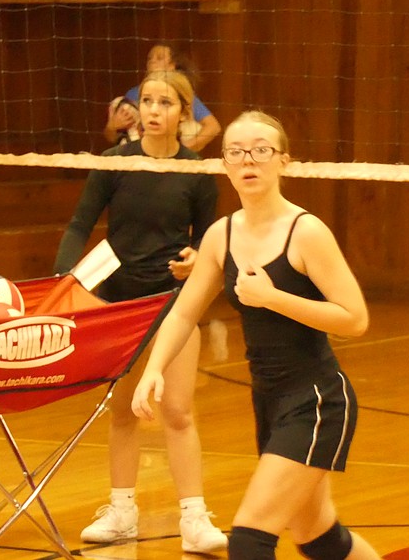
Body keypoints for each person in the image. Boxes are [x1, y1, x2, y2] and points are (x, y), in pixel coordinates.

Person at [132, 111, 382, 560]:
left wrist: (272, 297)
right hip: (269, 401)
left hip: (318, 400)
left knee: (249, 540)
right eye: (236, 151)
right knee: (319, 539)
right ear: (225, 164)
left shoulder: (306, 231)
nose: (249, 160)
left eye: (261, 150)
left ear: (283, 160)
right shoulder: (220, 235)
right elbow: (184, 313)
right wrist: (153, 368)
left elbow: (355, 318)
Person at [56, 69, 227, 554]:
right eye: (147, 101)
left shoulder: (196, 171)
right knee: (124, 411)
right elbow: (78, 225)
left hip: (173, 304)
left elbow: (207, 239)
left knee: (176, 411)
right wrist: (65, 281)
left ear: (184, 113)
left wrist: (196, 257)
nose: (153, 110)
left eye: (165, 103)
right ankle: (121, 511)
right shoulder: (113, 163)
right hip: (119, 306)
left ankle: (194, 518)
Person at [104, 43, 222, 152]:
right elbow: (112, 137)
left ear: (172, 66)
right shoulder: (133, 94)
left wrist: (185, 149)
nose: (152, 61)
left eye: (159, 58)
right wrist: (112, 126)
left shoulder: (179, 94)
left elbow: (213, 127)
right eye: (150, 58)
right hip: (136, 159)